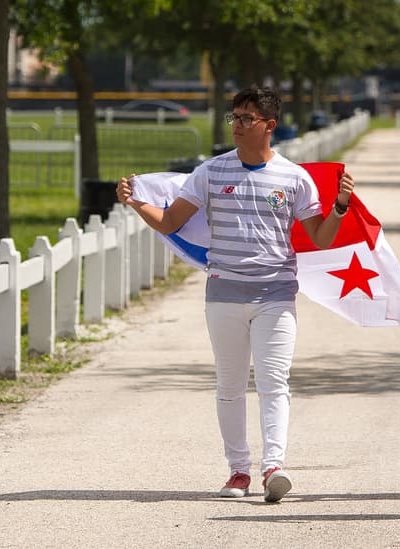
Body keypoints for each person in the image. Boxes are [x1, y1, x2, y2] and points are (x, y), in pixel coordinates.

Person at [116, 85, 354, 502]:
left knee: (273, 381)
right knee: (229, 385)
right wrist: (137, 203)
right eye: (235, 118)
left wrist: (338, 208)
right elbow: (172, 222)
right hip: (224, 293)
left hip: (276, 294)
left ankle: (273, 467)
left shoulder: (294, 178)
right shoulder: (210, 172)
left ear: (269, 126)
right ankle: (238, 471)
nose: (238, 126)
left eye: (247, 119)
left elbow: (319, 236)